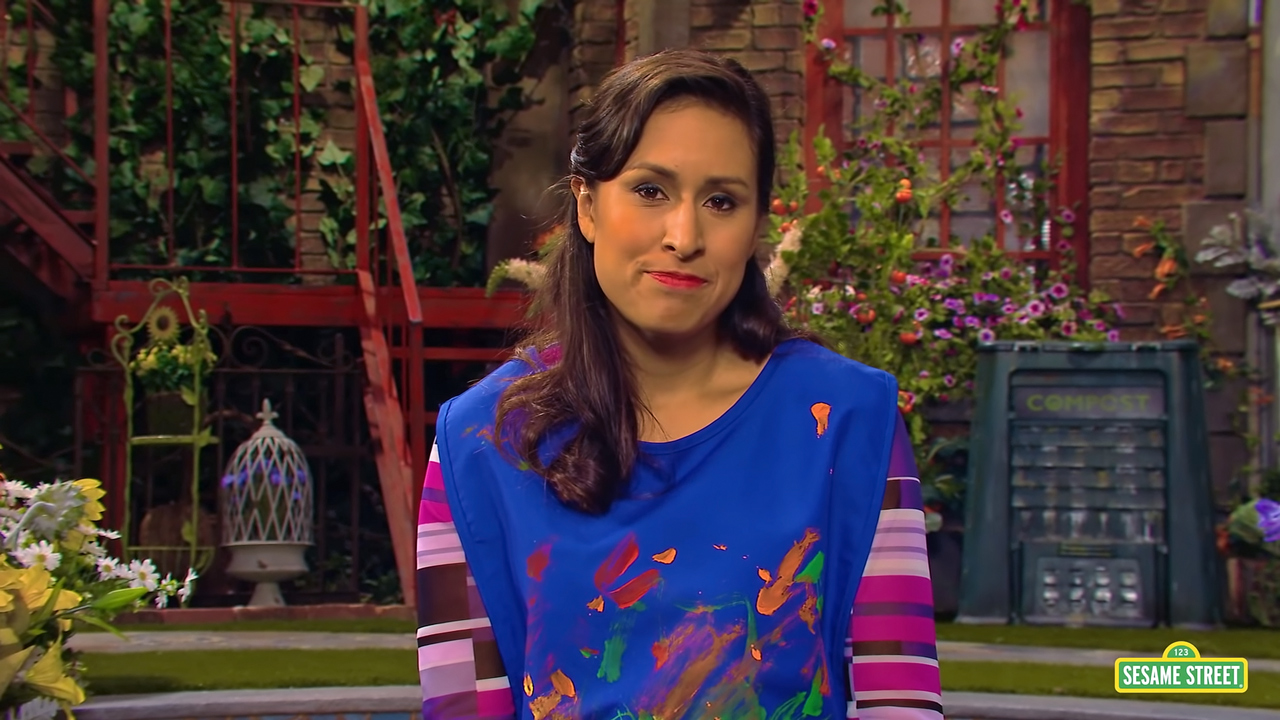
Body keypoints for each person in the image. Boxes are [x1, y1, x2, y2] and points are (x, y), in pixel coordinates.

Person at [416, 48, 943, 720]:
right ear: (587, 206)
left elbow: (900, 700)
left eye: (721, 201)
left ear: (756, 226)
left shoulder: (850, 421)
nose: (684, 236)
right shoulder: (478, 443)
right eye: (650, 191)